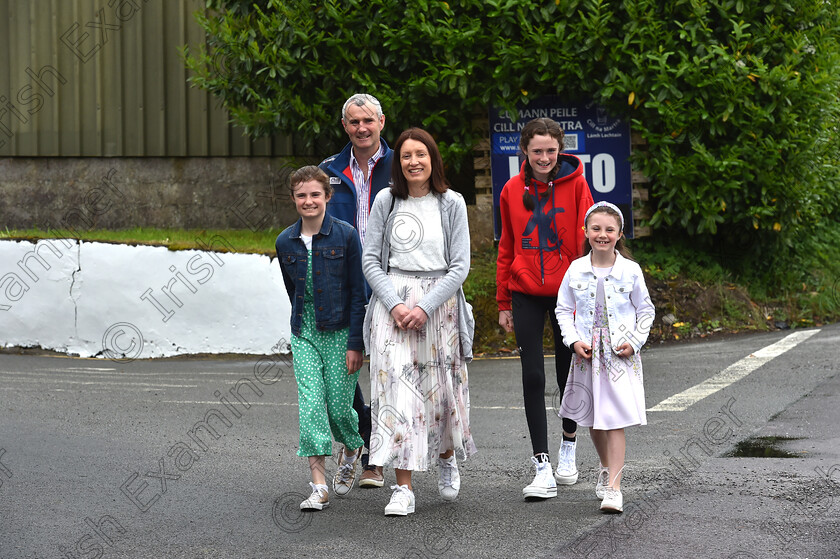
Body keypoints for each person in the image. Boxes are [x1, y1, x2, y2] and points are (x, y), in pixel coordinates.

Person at [362, 127, 476, 516]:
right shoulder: (385, 201)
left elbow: (460, 266)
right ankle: (404, 487)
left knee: (440, 391)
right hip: (391, 306)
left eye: (421, 154)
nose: (414, 161)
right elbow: (370, 261)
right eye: (407, 155)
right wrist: (394, 304)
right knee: (397, 394)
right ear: (399, 162)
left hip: (439, 308)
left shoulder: (452, 202)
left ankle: (446, 456)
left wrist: (424, 306)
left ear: (433, 159)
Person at [495, 117, 594, 500]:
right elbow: (506, 247)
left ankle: (568, 446)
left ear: (560, 150)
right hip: (525, 293)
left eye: (551, 151)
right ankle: (542, 465)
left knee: (568, 372)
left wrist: (588, 296)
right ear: (524, 150)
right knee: (533, 376)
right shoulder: (510, 190)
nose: (544, 158)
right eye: (537, 150)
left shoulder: (577, 184)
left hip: (568, 294)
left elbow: (588, 244)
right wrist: (503, 300)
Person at [274, 166, 367, 511]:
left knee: (340, 408)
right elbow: (292, 289)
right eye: (301, 195)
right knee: (312, 405)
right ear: (293, 199)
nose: (308, 201)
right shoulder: (285, 241)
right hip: (305, 331)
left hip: (342, 331)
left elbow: (359, 293)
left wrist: (356, 343)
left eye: (315, 194)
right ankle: (319, 486)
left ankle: (353, 445)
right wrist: (302, 322)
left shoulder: (345, 236)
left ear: (327, 196)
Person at [555, 201, 654, 513]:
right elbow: (562, 310)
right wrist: (572, 340)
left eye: (609, 229)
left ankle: (614, 488)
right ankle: (605, 466)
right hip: (587, 353)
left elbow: (646, 311)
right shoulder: (575, 269)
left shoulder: (631, 271)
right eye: (596, 228)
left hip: (619, 354)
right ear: (586, 232)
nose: (602, 234)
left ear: (619, 234)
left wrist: (635, 341)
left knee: (614, 420)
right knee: (595, 417)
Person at [320, 93, 394, 488]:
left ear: (381, 121)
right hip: (343, 285)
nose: (361, 128)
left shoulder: (405, 164)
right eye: (353, 122)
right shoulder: (328, 170)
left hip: (391, 283)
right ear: (344, 126)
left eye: (368, 120)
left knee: (385, 374)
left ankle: (376, 460)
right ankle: (360, 439)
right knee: (341, 376)